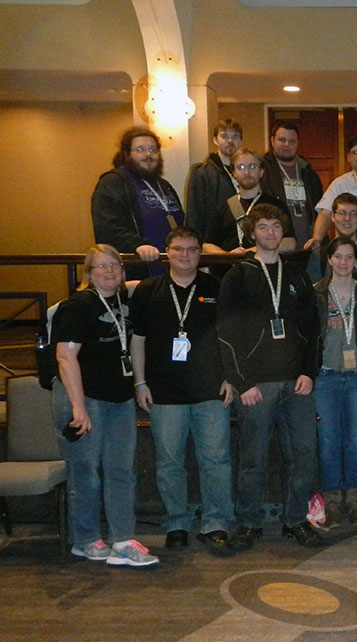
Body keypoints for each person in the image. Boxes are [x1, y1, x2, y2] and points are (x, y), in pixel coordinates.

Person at [217, 204, 323, 549]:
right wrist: (241, 381)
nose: (270, 233)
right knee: (253, 458)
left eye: (276, 226)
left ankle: (296, 521)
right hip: (256, 386)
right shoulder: (238, 275)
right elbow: (226, 332)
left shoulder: (296, 275)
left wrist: (309, 371)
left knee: (303, 454)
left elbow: (312, 329)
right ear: (252, 233)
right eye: (262, 227)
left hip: (296, 382)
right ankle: (249, 523)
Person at [51, 244, 158, 567]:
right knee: (86, 471)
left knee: (121, 471)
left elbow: (138, 287)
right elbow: (65, 357)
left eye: (115, 265)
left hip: (119, 399)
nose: (109, 271)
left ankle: (123, 539)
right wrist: (78, 407)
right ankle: (84, 540)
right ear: (89, 273)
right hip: (85, 399)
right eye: (101, 266)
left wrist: (138, 384)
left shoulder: (121, 300)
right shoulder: (78, 306)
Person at [130, 227, 234, 554]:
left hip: (211, 391)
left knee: (216, 461)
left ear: (200, 253)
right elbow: (137, 341)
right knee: (169, 463)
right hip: (164, 392)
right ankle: (176, 522)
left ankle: (216, 523)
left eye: (192, 249)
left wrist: (231, 378)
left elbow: (231, 337)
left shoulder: (217, 288)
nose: (185, 255)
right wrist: (140, 382)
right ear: (167, 252)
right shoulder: (148, 290)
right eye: (178, 249)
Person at [314, 236, 357, 527]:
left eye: (349, 257)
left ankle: (355, 502)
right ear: (329, 259)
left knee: (355, 442)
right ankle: (331, 502)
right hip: (325, 376)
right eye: (338, 256)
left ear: (356, 261)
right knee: (328, 442)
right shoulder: (316, 293)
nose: (343, 262)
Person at [91, 127, 184, 279]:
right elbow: (107, 226)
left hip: (173, 269)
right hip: (138, 269)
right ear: (127, 154)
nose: (148, 154)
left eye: (153, 149)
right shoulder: (113, 182)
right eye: (140, 149)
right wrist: (137, 245)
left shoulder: (164, 185)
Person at [202, 147, 294, 256]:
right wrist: (228, 255)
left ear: (261, 172)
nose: (247, 172)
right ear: (233, 173)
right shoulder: (223, 209)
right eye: (241, 167)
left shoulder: (276, 206)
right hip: (231, 265)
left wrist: (249, 252)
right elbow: (207, 245)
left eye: (252, 166)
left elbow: (289, 243)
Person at [260, 121, 324, 250]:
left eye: (292, 141)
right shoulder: (262, 172)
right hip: (276, 248)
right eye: (282, 140)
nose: (287, 145)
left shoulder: (308, 173)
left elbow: (320, 210)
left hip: (309, 249)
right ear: (272, 141)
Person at [310, 134, 357, 249]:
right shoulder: (340, 183)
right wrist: (317, 239)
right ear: (348, 157)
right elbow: (325, 214)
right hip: (348, 246)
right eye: (355, 152)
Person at [185, 118, 242, 236]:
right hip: (212, 239)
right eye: (224, 136)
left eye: (235, 137)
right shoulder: (201, 173)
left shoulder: (247, 172)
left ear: (240, 141)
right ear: (215, 140)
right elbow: (194, 215)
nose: (230, 141)